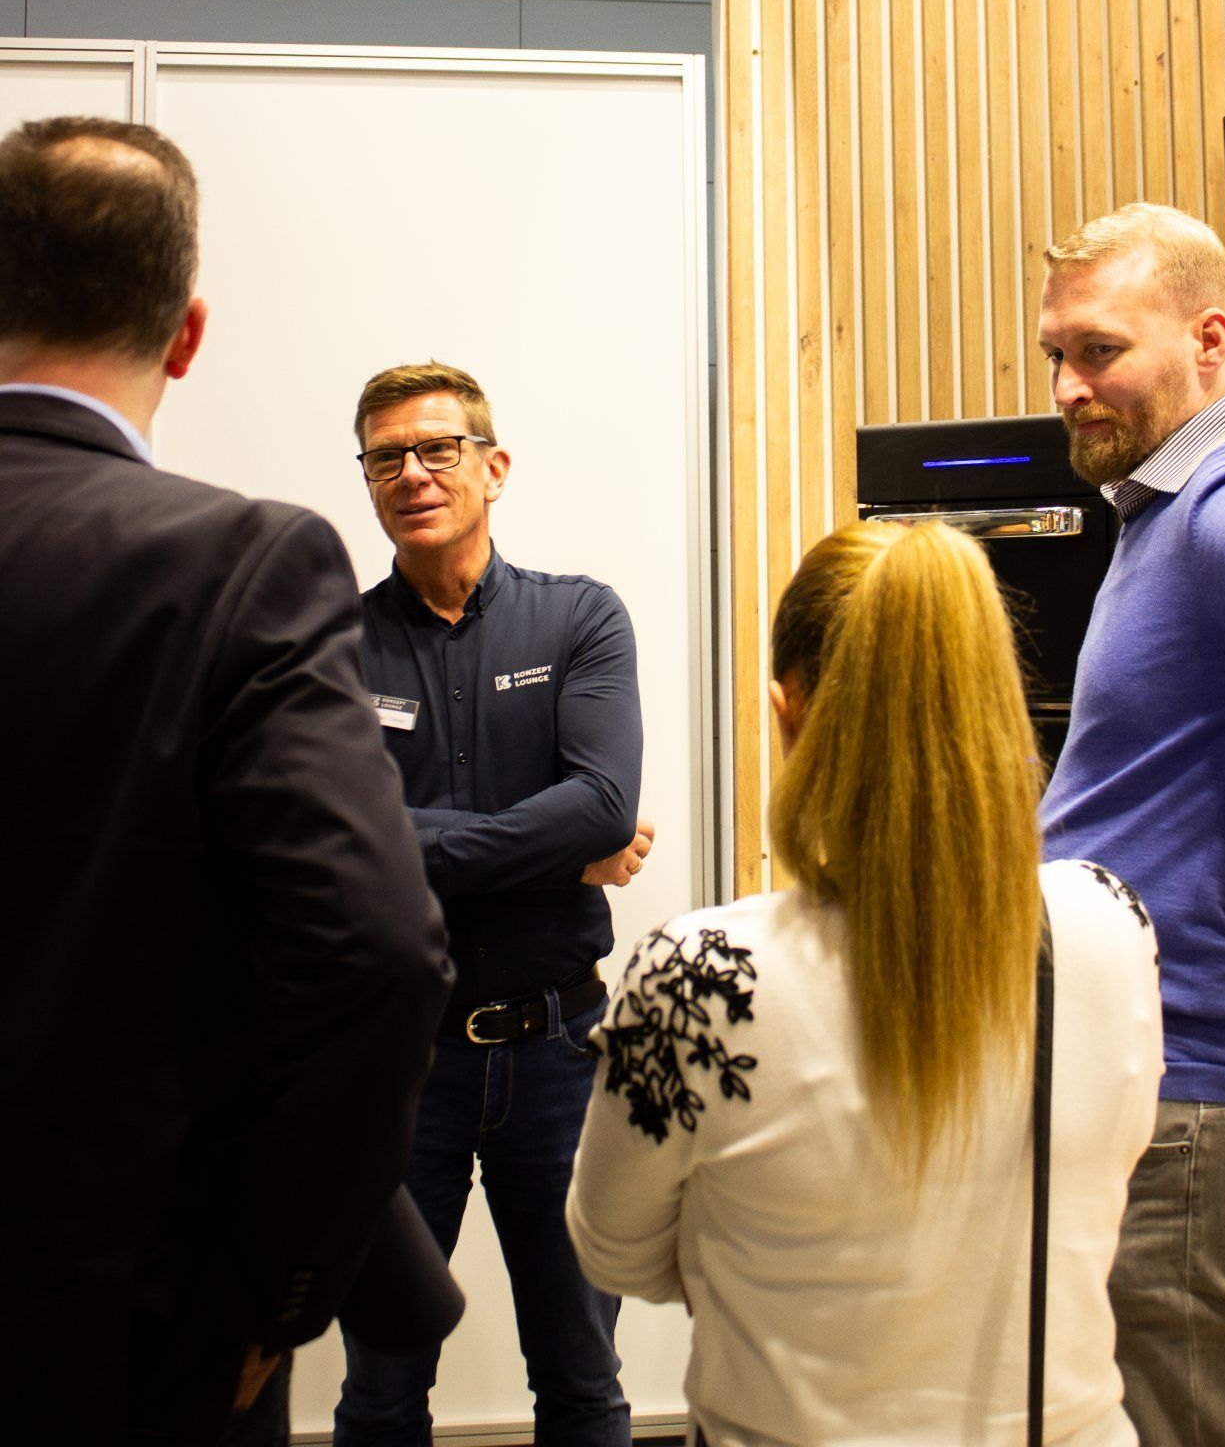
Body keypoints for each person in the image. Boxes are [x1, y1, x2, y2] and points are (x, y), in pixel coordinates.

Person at [0, 117, 456, 1447]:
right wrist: (278, 1290)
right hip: (130, 1323)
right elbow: (374, 954)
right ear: (186, 334)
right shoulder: (236, 565)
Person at [567, 518, 1162, 1447]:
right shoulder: (1110, 924)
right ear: (999, 701)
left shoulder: (697, 979)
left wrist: (765, 1247)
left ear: (787, 707)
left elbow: (614, 1250)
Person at [335, 361, 649, 1447]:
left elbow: (606, 803)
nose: (412, 473)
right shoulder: (331, 640)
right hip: (394, 1058)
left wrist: (413, 842)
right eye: (386, 457)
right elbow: (337, 834)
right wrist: (555, 854)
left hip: (558, 1049)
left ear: (492, 466)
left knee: (580, 1379)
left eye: (437, 449)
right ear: (367, 480)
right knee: (379, 1390)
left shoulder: (578, 620)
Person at [1037, 202, 1225, 1446]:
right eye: (1056, 358)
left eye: (1098, 352)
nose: (1069, 387)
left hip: (1201, 1100)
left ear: (1207, 338)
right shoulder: (1164, 512)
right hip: (1157, 1084)